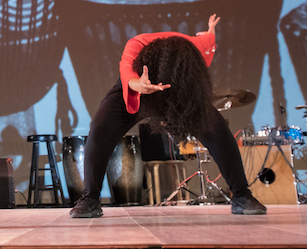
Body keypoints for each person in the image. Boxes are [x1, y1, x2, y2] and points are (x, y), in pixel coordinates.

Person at [69, 14, 267, 218]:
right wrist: (139, 84)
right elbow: (126, 71)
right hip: (138, 85)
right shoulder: (136, 44)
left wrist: (210, 32)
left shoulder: (192, 49)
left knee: (218, 130)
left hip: (177, 90)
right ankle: (90, 198)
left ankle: (241, 196)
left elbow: (207, 42)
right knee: (100, 128)